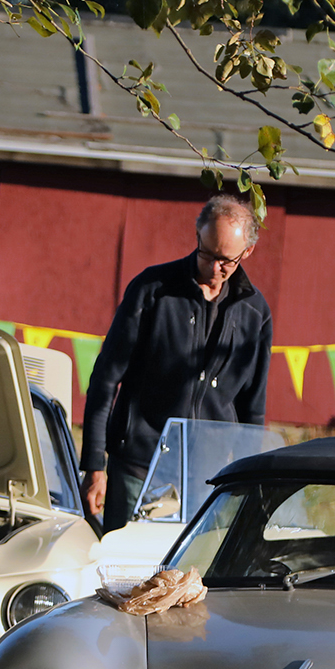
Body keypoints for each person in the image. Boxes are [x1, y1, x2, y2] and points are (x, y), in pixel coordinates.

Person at [81, 195, 274, 532]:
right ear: (198, 237)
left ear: (248, 252)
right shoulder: (152, 290)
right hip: (139, 468)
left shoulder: (256, 313)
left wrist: (249, 482)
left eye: (226, 261)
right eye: (207, 254)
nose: (214, 268)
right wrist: (95, 464)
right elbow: (105, 378)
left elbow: (252, 410)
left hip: (210, 481)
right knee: (124, 562)